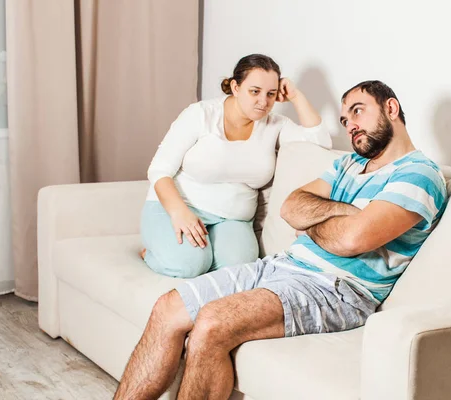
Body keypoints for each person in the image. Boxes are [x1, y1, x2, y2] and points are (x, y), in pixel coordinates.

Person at [115, 80, 448, 400]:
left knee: (212, 322)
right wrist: (345, 212)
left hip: (337, 289)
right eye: (345, 121)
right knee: (168, 307)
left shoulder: (418, 173)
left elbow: (352, 240)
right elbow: (291, 206)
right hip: (283, 265)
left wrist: (317, 221)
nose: (351, 126)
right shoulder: (349, 163)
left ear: (391, 108)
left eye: (358, 111)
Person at [140, 54, 332, 279]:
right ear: (235, 87)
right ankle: (153, 254)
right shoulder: (201, 114)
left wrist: (297, 96)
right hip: (181, 207)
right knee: (189, 265)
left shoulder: (275, 125)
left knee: (239, 272)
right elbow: (159, 170)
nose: (263, 102)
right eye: (255, 91)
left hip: (234, 220)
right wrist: (179, 212)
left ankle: (198, 254)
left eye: (271, 94)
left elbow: (320, 142)